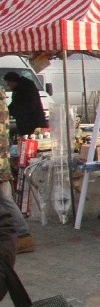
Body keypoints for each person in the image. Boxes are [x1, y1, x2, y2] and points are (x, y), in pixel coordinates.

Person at [0, 92, 34, 254]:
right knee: (6, 198)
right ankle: (22, 234)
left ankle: (23, 234)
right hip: (2, 160)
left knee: (5, 199)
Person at [3, 71, 46, 137]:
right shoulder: (18, 88)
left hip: (32, 123)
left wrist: (13, 112)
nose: (7, 85)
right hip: (25, 122)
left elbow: (29, 106)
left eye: (8, 82)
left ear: (13, 81)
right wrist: (7, 110)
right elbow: (15, 103)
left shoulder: (26, 88)